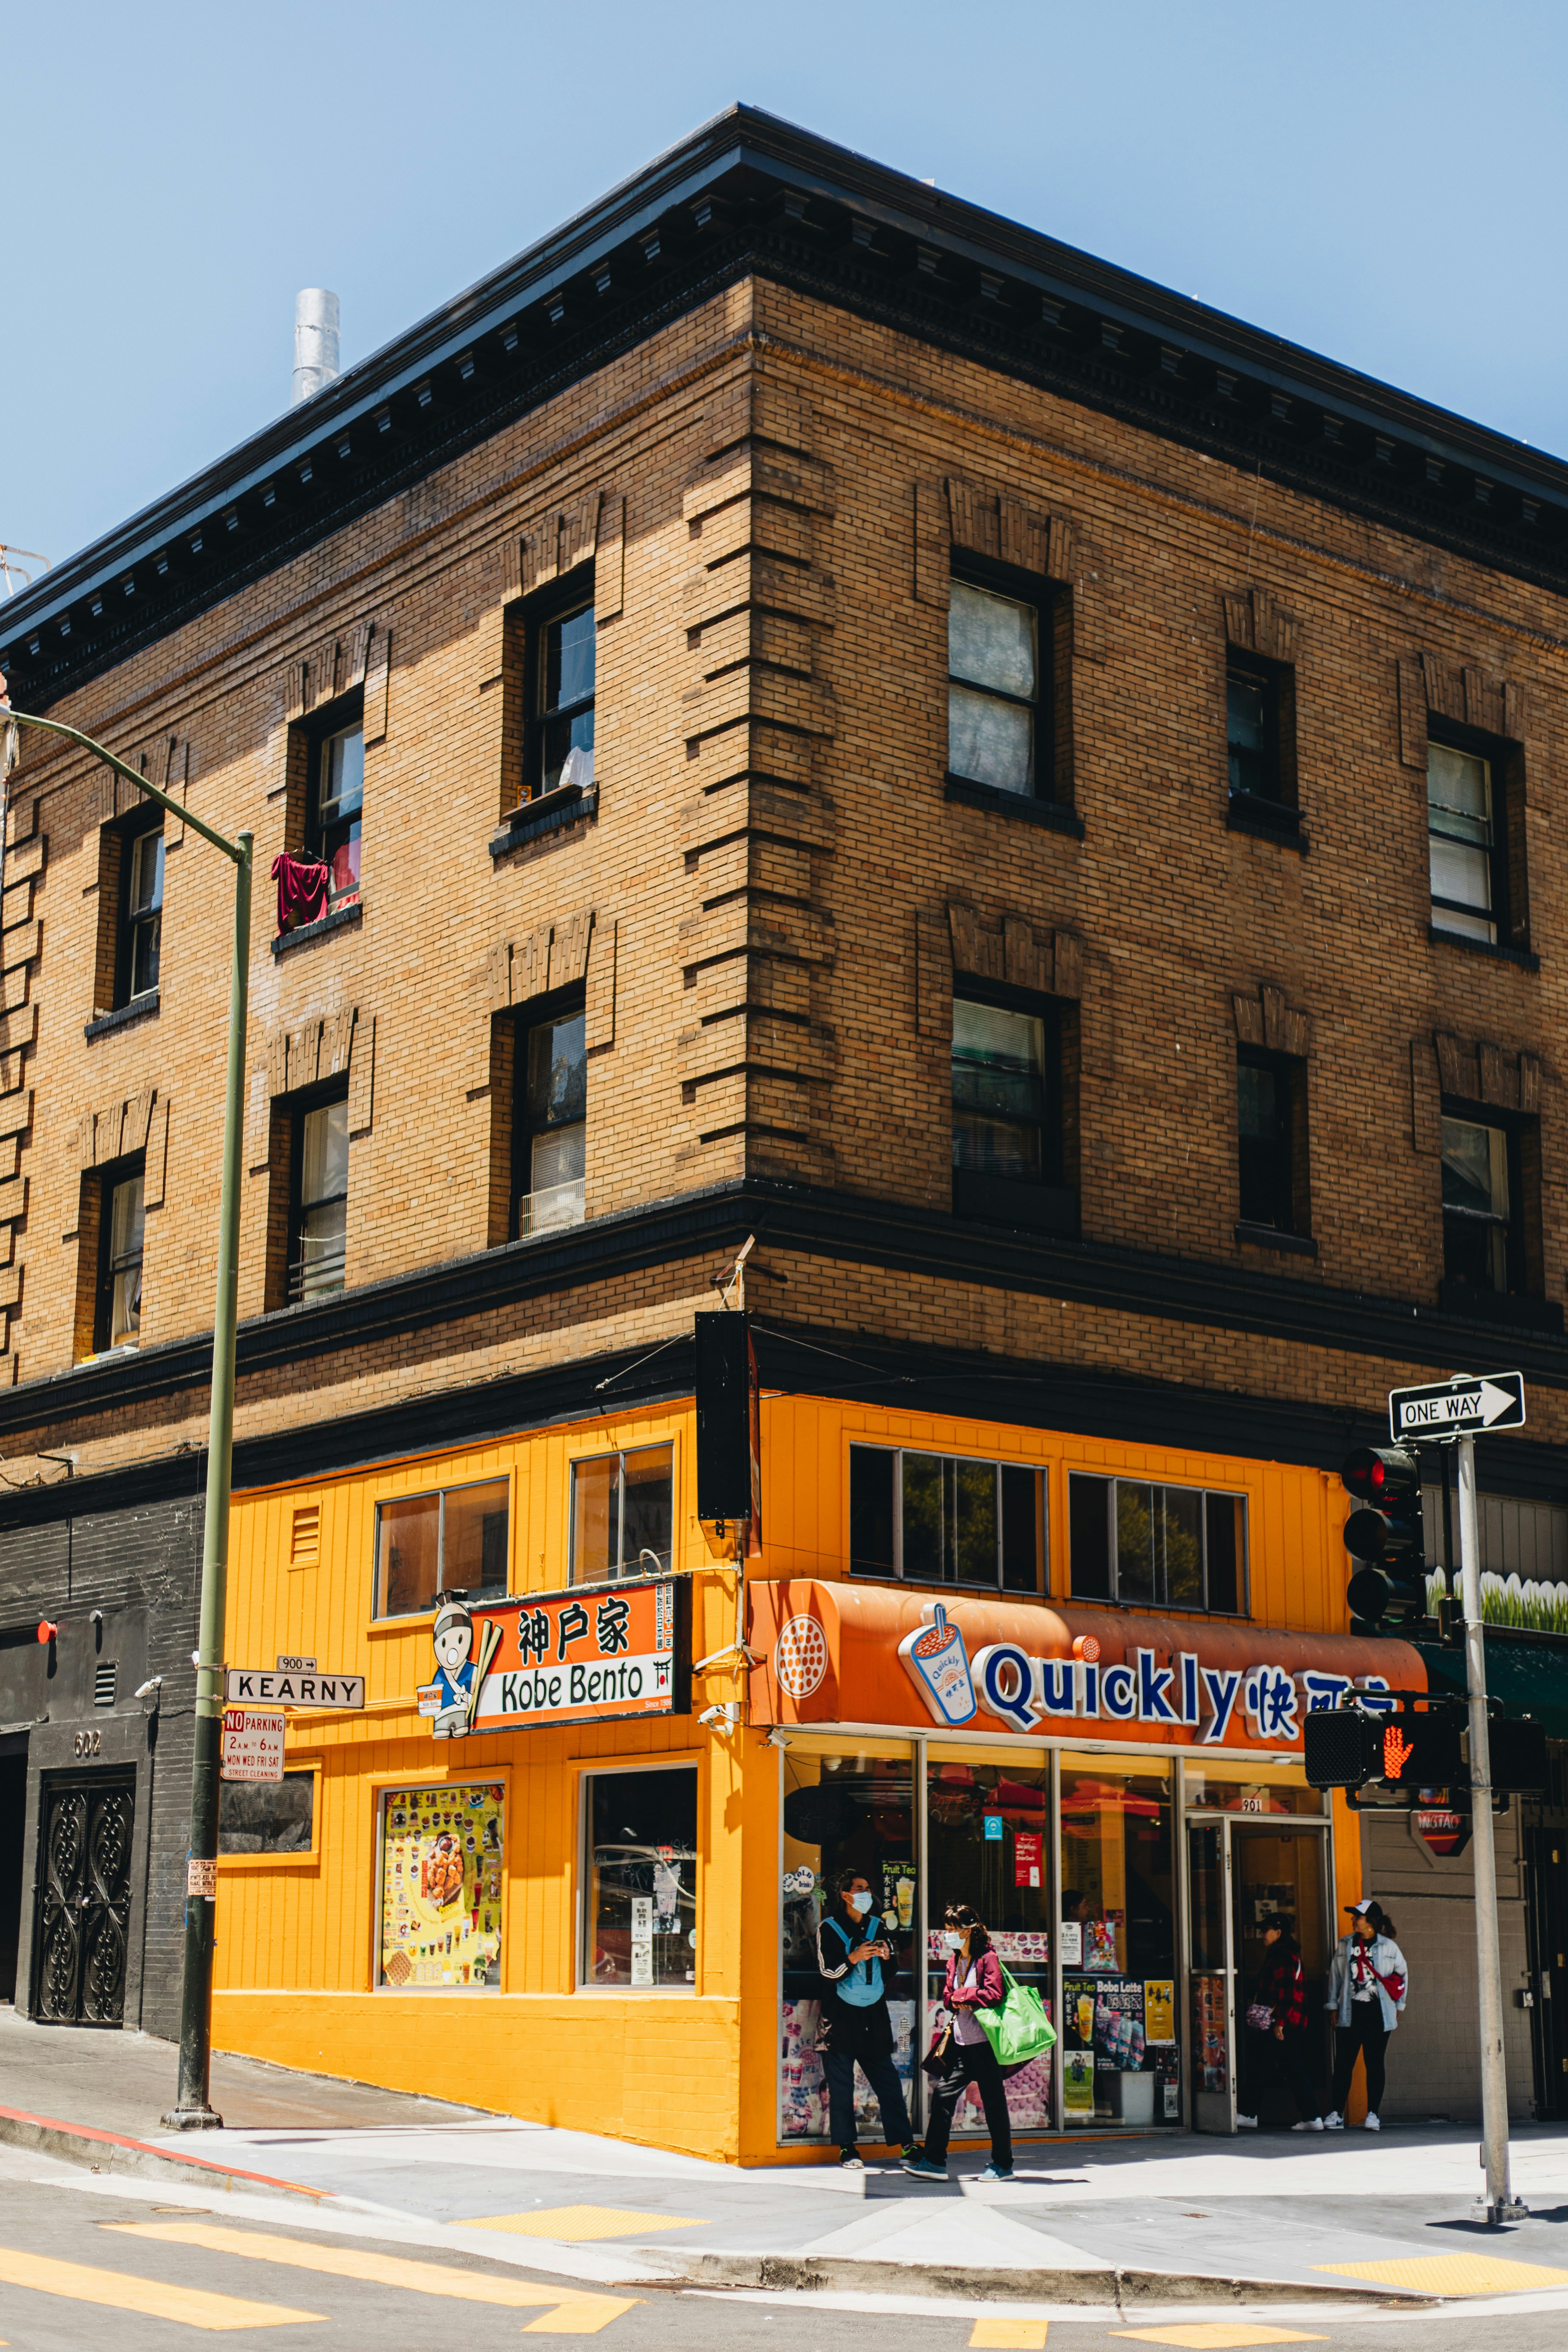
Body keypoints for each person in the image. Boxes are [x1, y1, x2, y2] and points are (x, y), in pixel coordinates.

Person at [904, 1902, 1013, 2183]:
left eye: (953, 1929)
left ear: (968, 1930)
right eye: (947, 1928)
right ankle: (935, 2161)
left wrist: (962, 1994)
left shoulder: (987, 1957)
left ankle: (1003, 2164)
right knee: (942, 2095)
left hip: (985, 2043)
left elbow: (994, 1993)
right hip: (962, 2043)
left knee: (993, 2104)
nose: (948, 1934)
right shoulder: (954, 1961)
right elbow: (946, 1998)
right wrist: (960, 1997)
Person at [815, 1868, 915, 2169]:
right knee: (843, 2088)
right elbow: (827, 1972)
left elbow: (892, 1969)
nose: (866, 1894)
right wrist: (853, 1958)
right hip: (840, 2017)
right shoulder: (829, 1928)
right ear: (846, 1895)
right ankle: (847, 2148)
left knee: (889, 2083)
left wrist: (886, 1957)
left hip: (874, 2015)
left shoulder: (879, 1925)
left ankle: (907, 2144)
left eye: (868, 1888)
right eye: (859, 1888)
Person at [1324, 1897, 1407, 2132]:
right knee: (1344, 2064)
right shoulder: (1345, 1944)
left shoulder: (1389, 1947)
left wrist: (1398, 2008)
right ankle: (1336, 2114)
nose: (1353, 1919)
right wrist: (1332, 2006)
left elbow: (1402, 1976)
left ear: (1370, 1922)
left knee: (1374, 2063)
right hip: (1350, 2012)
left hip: (1378, 2013)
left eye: (1357, 1916)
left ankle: (1373, 2115)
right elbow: (1336, 1977)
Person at [1236, 1913, 1323, 2132]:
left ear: (1278, 1932)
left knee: (1282, 2067)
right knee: (1268, 2066)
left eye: (1265, 1930)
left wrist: (1280, 2022)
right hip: (1284, 2021)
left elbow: (1287, 1993)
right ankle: (1251, 2114)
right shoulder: (1284, 1954)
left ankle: (1311, 2117)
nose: (1262, 1935)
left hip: (1281, 2023)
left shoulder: (1282, 1956)